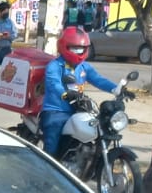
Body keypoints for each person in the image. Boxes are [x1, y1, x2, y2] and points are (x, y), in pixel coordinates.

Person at [41, 26, 118, 157]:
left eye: (81, 49)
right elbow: (54, 83)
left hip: (78, 110)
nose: (79, 52)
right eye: (75, 48)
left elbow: (99, 80)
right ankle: (46, 174)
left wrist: (117, 89)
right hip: (56, 111)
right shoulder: (54, 66)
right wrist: (64, 93)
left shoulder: (84, 67)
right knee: (51, 150)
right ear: (65, 46)